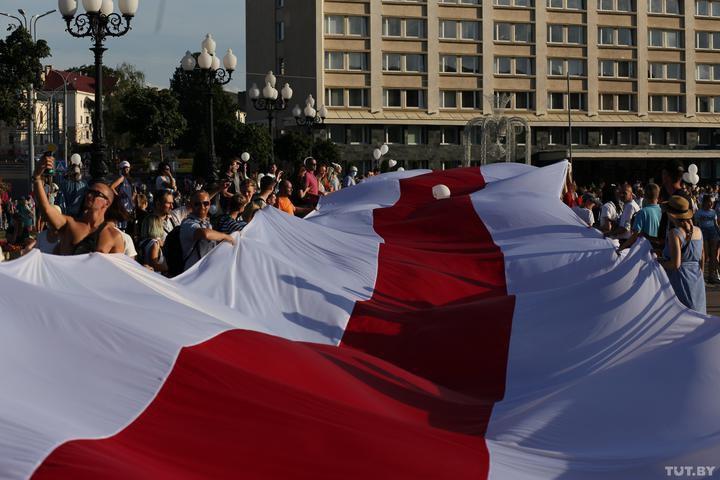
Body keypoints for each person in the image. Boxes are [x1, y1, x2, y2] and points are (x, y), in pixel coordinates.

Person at [32, 158, 124, 255]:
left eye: (96, 194)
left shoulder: (113, 236)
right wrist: (37, 177)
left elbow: (118, 268)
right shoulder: (71, 224)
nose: (89, 195)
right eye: (89, 192)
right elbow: (46, 210)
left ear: (107, 203)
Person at [660, 195, 706, 314]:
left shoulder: (674, 233)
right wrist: (700, 272)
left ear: (671, 214)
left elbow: (675, 264)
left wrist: (658, 262)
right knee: (697, 316)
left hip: (680, 279)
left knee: (682, 315)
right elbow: (702, 256)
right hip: (697, 277)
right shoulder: (698, 230)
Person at [179, 190, 235, 271]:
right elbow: (205, 234)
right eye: (197, 204)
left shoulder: (207, 223)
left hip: (207, 271)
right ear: (191, 205)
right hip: (193, 273)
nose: (202, 207)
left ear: (209, 204)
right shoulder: (187, 223)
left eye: (205, 203)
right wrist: (226, 236)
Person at [695, 194, 720, 283]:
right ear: (704, 202)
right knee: (705, 255)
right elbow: (696, 225)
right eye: (708, 202)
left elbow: (716, 224)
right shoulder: (699, 212)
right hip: (703, 233)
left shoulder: (713, 212)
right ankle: (700, 275)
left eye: (711, 202)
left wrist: (718, 232)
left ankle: (711, 275)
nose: (710, 204)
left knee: (713, 255)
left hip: (713, 232)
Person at [110, 161, 136, 229]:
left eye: (128, 168)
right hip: (123, 205)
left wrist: (133, 197)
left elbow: (134, 192)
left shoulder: (130, 180)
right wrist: (118, 195)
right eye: (124, 168)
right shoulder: (121, 178)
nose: (126, 170)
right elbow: (111, 187)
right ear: (121, 169)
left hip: (129, 206)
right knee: (122, 226)